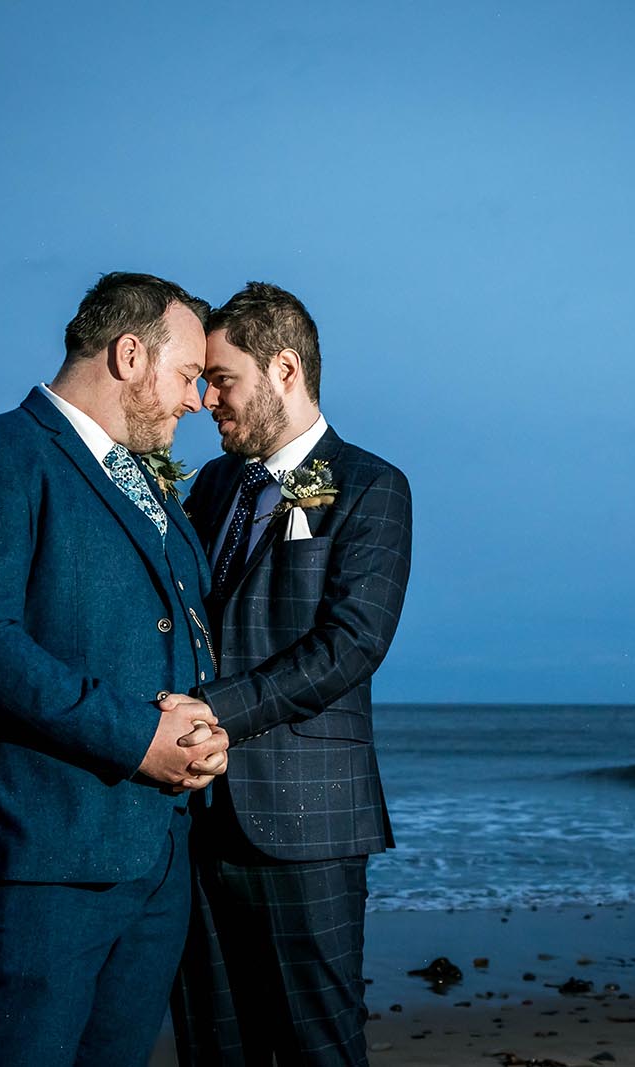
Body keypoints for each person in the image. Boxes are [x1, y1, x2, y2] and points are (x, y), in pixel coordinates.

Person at [0, 272, 231, 1067]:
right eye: (188, 374)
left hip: (158, 855)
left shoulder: (151, 485)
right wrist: (138, 738)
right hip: (44, 855)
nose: (197, 400)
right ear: (130, 355)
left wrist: (206, 732)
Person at [167, 282, 413, 1067]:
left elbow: (351, 643)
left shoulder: (369, 484)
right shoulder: (211, 486)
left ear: (283, 369)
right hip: (195, 818)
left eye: (222, 380)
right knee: (213, 1048)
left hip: (308, 821)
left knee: (318, 1050)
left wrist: (216, 711)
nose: (207, 400)